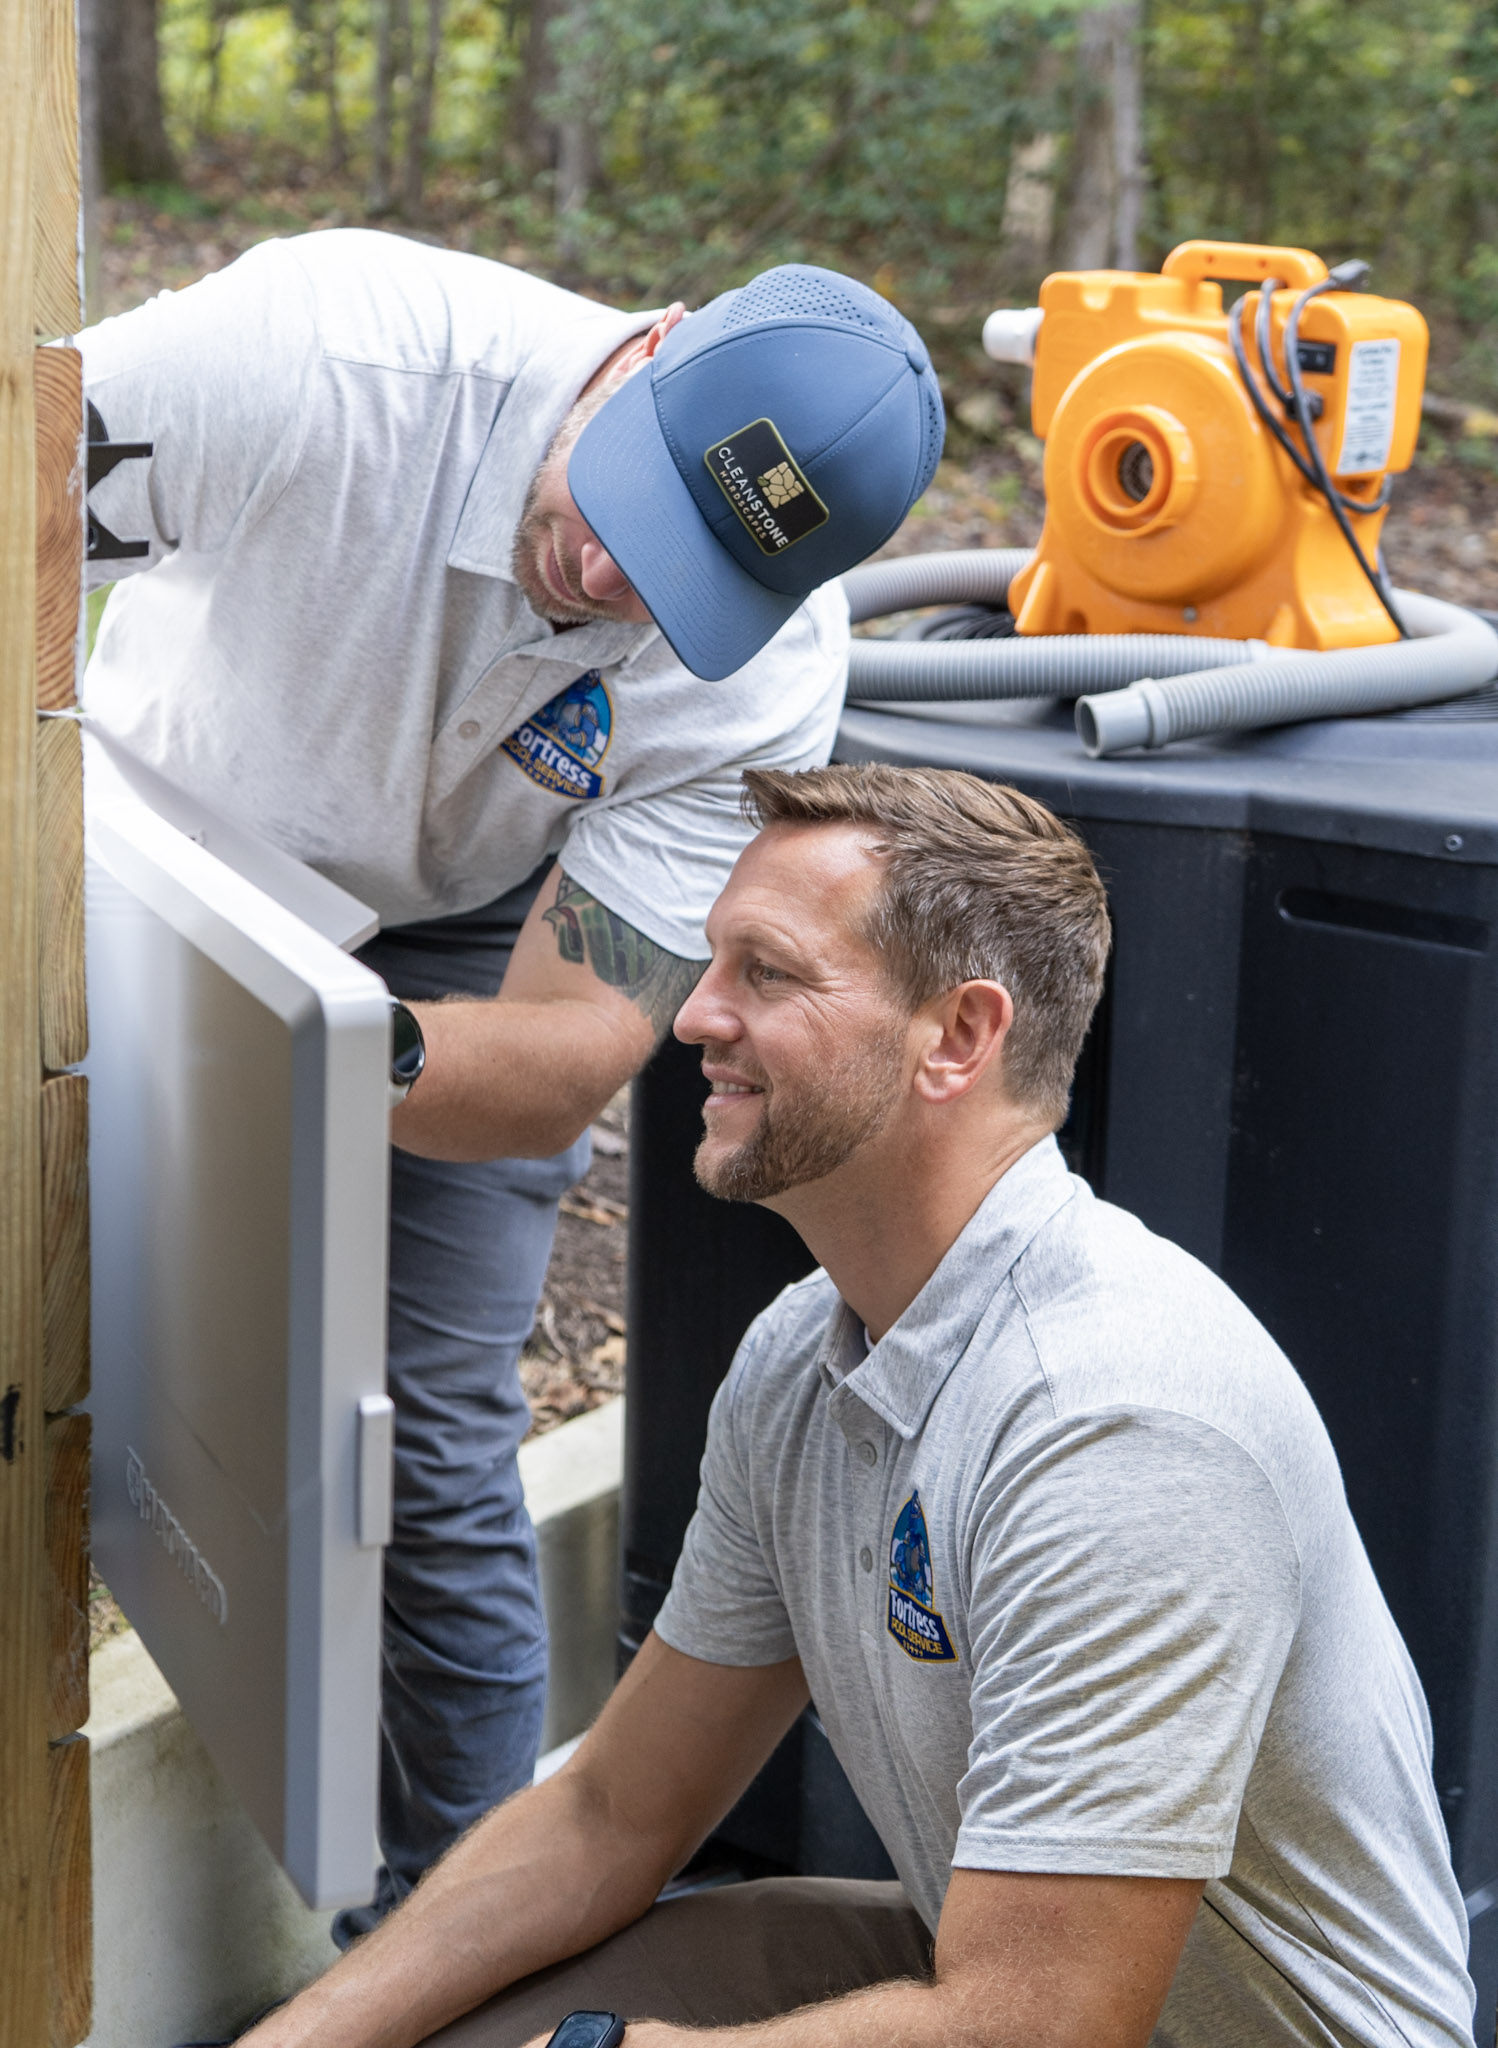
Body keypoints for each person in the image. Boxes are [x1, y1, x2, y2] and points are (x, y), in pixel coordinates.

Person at [238, 762, 1476, 2048]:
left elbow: (1039, 2023)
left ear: (959, 1035)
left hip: (1125, 2022)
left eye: (765, 972)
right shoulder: (805, 1356)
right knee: (480, 2012)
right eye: (711, 961)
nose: (691, 1015)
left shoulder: (1118, 1426)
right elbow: (613, 1809)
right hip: (994, 1958)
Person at [77, 240, 945, 1940]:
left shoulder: (755, 670)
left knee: (420, 1439)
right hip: (148, 809)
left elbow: (555, 1064)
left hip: (470, 930)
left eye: (684, 570)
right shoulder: (320, 352)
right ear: (651, 340)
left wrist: (298, 1043)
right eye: (633, 491)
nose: (609, 564)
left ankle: (454, 1954)